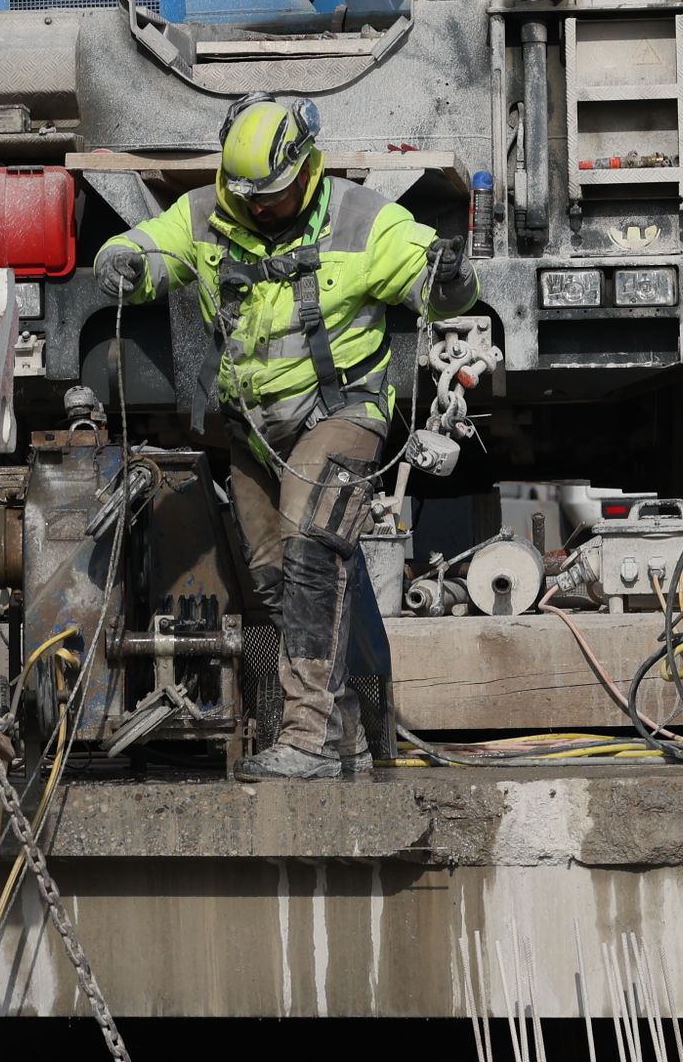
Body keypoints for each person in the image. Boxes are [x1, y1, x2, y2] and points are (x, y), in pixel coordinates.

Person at [93, 94, 449, 776]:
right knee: (274, 576)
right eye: (248, 195)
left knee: (312, 550)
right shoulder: (205, 214)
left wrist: (452, 277)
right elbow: (154, 246)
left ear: (306, 173)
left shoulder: (361, 220)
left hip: (342, 413)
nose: (260, 208)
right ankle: (355, 723)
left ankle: (308, 738)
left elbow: (432, 277)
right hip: (254, 428)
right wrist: (124, 260)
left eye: (274, 197)